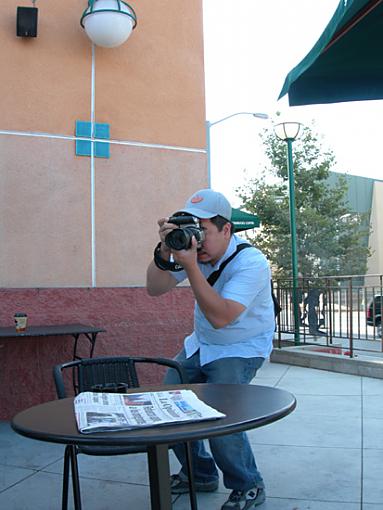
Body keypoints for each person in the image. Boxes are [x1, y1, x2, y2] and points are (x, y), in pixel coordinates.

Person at [146, 188, 275, 510]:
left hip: (241, 347)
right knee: (167, 408)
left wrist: (189, 265)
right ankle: (199, 474)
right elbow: (154, 288)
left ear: (226, 228)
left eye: (202, 231)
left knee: (221, 417)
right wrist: (165, 253)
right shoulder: (194, 252)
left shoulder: (251, 262)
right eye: (192, 230)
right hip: (201, 345)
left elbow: (221, 316)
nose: (196, 239)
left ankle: (248, 484)